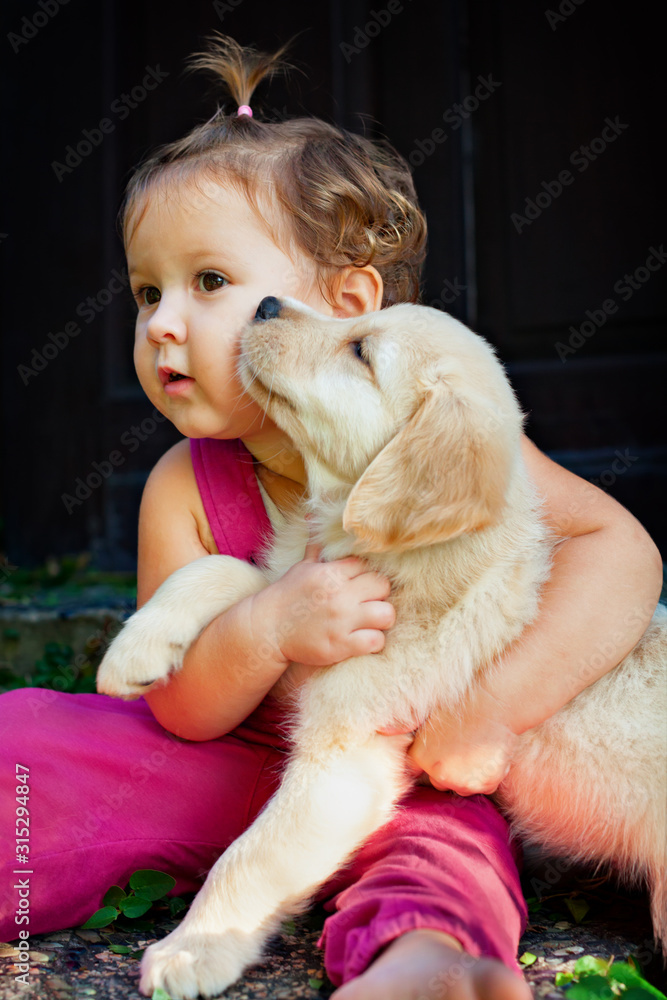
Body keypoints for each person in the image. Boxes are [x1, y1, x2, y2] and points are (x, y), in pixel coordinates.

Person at [0, 36, 662, 1000]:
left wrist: (491, 709)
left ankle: (424, 963)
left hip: (400, 762)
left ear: (346, 305)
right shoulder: (184, 486)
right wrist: (264, 623)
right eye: (147, 293)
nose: (160, 325)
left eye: (210, 284)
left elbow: (623, 550)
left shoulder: (453, 437)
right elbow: (179, 711)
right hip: (225, 763)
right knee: (34, 749)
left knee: (438, 845)